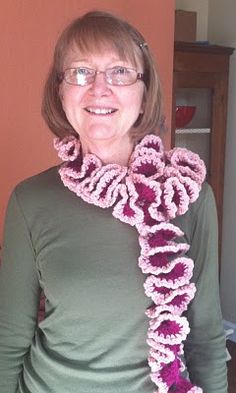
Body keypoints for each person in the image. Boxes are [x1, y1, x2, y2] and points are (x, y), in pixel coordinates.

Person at [0, 10, 227, 393]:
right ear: (61, 91)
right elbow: (9, 338)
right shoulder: (29, 201)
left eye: (120, 71)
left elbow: (206, 338)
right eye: (80, 71)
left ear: (144, 92)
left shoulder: (189, 197)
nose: (99, 88)